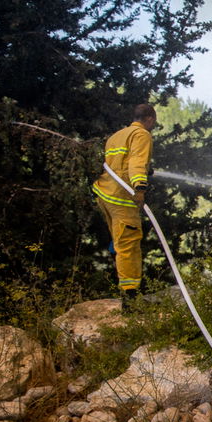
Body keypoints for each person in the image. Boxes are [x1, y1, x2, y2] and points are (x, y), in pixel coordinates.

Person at [92, 103, 158, 307]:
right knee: (129, 244)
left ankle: (117, 252)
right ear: (149, 119)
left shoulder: (116, 136)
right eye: (154, 122)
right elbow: (136, 162)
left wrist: (147, 171)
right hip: (121, 198)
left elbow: (118, 163)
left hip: (105, 194)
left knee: (120, 241)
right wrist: (140, 188)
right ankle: (131, 300)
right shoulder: (141, 134)